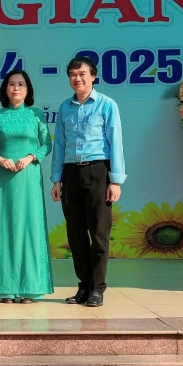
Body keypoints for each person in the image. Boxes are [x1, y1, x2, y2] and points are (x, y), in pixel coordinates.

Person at [50, 56, 125, 308]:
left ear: (93, 76)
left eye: (82, 73)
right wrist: (57, 179)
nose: (77, 78)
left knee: (99, 234)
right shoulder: (65, 107)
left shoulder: (107, 104)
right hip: (71, 173)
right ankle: (83, 285)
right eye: (73, 74)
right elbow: (60, 146)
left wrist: (115, 180)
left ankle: (97, 288)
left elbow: (116, 143)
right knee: (76, 234)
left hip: (98, 171)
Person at [0, 70, 53, 304]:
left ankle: (31, 288)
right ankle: (5, 288)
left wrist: (31, 156)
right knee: (5, 227)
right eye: (12, 84)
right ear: (5, 89)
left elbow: (47, 144)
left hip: (29, 176)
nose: (16, 88)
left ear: (28, 89)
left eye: (21, 84)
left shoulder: (36, 114)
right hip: (4, 178)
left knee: (30, 227)